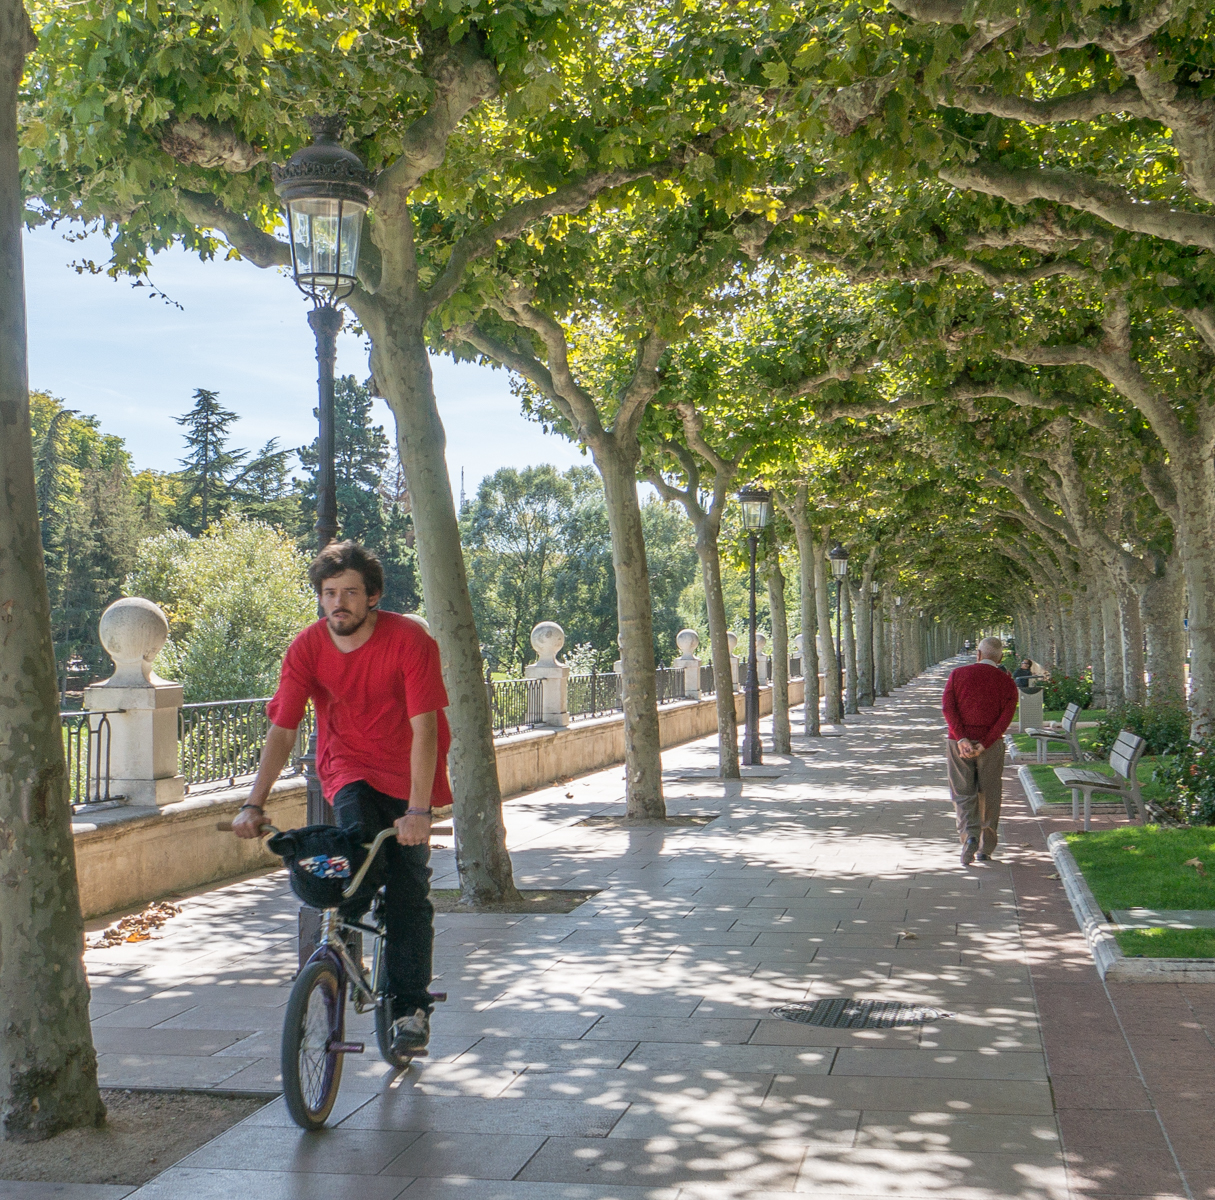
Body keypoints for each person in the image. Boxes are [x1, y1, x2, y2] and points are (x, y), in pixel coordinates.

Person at [232, 540, 451, 1055]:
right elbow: (283, 730)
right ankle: (339, 952)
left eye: (350, 593)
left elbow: (426, 730)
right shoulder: (307, 647)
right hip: (347, 768)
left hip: (409, 777)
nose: (339, 604)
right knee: (349, 856)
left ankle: (410, 1006)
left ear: (372, 596)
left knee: (407, 892)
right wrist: (253, 803)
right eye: (329, 593)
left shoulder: (410, 641)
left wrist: (419, 811)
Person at [941, 636, 1020, 866]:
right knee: (990, 792)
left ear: (978, 654)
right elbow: (1005, 718)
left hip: (958, 744)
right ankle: (987, 847)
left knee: (963, 793)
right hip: (991, 746)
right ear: (1000, 658)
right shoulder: (1007, 683)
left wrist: (961, 737)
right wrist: (985, 743)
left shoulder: (958, 675)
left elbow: (948, 707)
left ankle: (969, 837)